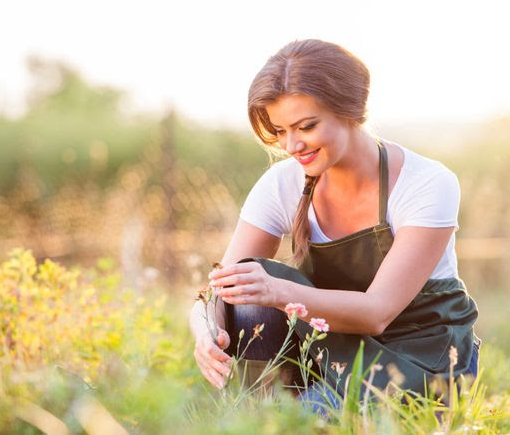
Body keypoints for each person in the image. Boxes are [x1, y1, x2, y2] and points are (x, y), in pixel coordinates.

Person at [189, 39, 479, 409]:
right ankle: (260, 412)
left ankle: (295, 415)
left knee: (312, 417)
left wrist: (278, 292)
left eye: (306, 126)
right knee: (248, 276)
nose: (292, 145)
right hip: (330, 354)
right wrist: (205, 330)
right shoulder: (283, 184)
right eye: (279, 131)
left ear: (350, 111)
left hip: (423, 357)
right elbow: (216, 290)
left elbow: (378, 311)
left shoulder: (426, 182)